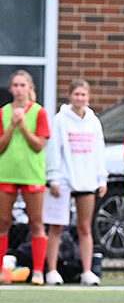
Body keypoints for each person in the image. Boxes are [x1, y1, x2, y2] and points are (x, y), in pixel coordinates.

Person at [43, 78, 107, 286]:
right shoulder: (60, 120)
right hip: (62, 180)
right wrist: (53, 177)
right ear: (70, 96)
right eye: (76, 94)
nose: (80, 98)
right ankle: (52, 270)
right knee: (56, 227)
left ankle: (87, 271)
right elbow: (54, 150)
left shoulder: (94, 121)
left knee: (85, 227)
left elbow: (99, 151)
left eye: (83, 95)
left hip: (87, 181)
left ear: (88, 97)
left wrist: (101, 178)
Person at [0, 70, 51, 285]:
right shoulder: (3, 113)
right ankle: (3, 269)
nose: (19, 89)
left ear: (30, 88)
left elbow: (38, 145)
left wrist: (22, 125)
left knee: (36, 223)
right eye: (16, 85)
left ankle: (38, 271)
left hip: (32, 174)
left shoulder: (39, 113)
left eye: (23, 85)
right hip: (7, 173)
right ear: (11, 89)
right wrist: (12, 124)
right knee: (3, 222)